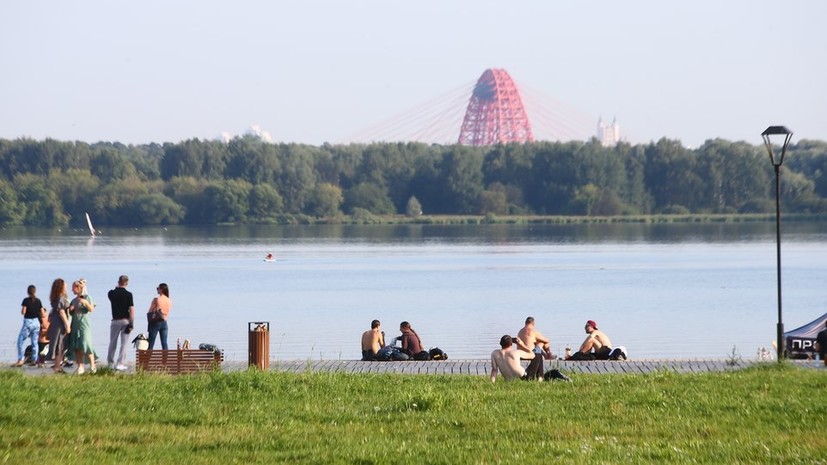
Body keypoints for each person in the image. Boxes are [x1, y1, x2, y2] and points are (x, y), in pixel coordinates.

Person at [67, 279, 97, 374]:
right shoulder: (73, 300)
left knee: (86, 344)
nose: (72, 290)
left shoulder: (87, 297)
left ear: (79, 288)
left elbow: (91, 309)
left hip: (84, 324)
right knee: (77, 346)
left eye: (73, 288)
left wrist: (85, 302)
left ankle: (92, 365)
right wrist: (70, 310)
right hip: (75, 324)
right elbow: (71, 313)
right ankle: (80, 366)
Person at [12, 285, 46, 367]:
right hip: (36, 323)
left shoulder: (26, 300)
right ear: (35, 291)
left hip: (28, 322)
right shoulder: (38, 301)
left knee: (21, 340)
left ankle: (20, 359)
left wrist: (25, 310)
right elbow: (43, 314)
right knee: (34, 342)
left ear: (28, 292)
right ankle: (34, 360)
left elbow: (23, 312)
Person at [107, 275, 135, 371]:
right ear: (127, 283)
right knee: (124, 343)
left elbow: (112, 292)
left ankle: (110, 362)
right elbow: (131, 310)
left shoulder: (111, 293)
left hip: (115, 320)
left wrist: (116, 287)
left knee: (112, 342)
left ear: (118, 282)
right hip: (125, 320)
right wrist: (131, 323)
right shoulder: (129, 294)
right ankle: (120, 363)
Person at [46, 278, 71, 373]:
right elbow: (61, 312)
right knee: (59, 343)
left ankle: (58, 365)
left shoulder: (55, 297)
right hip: (59, 323)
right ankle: (57, 366)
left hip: (56, 321)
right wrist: (67, 324)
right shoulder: (60, 298)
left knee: (59, 343)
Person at [147, 283, 171, 350]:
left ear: (161, 290)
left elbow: (150, 311)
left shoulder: (156, 299)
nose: (157, 289)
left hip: (155, 322)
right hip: (164, 322)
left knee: (151, 343)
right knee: (164, 343)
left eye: (158, 288)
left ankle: (147, 360)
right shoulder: (169, 300)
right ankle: (165, 360)